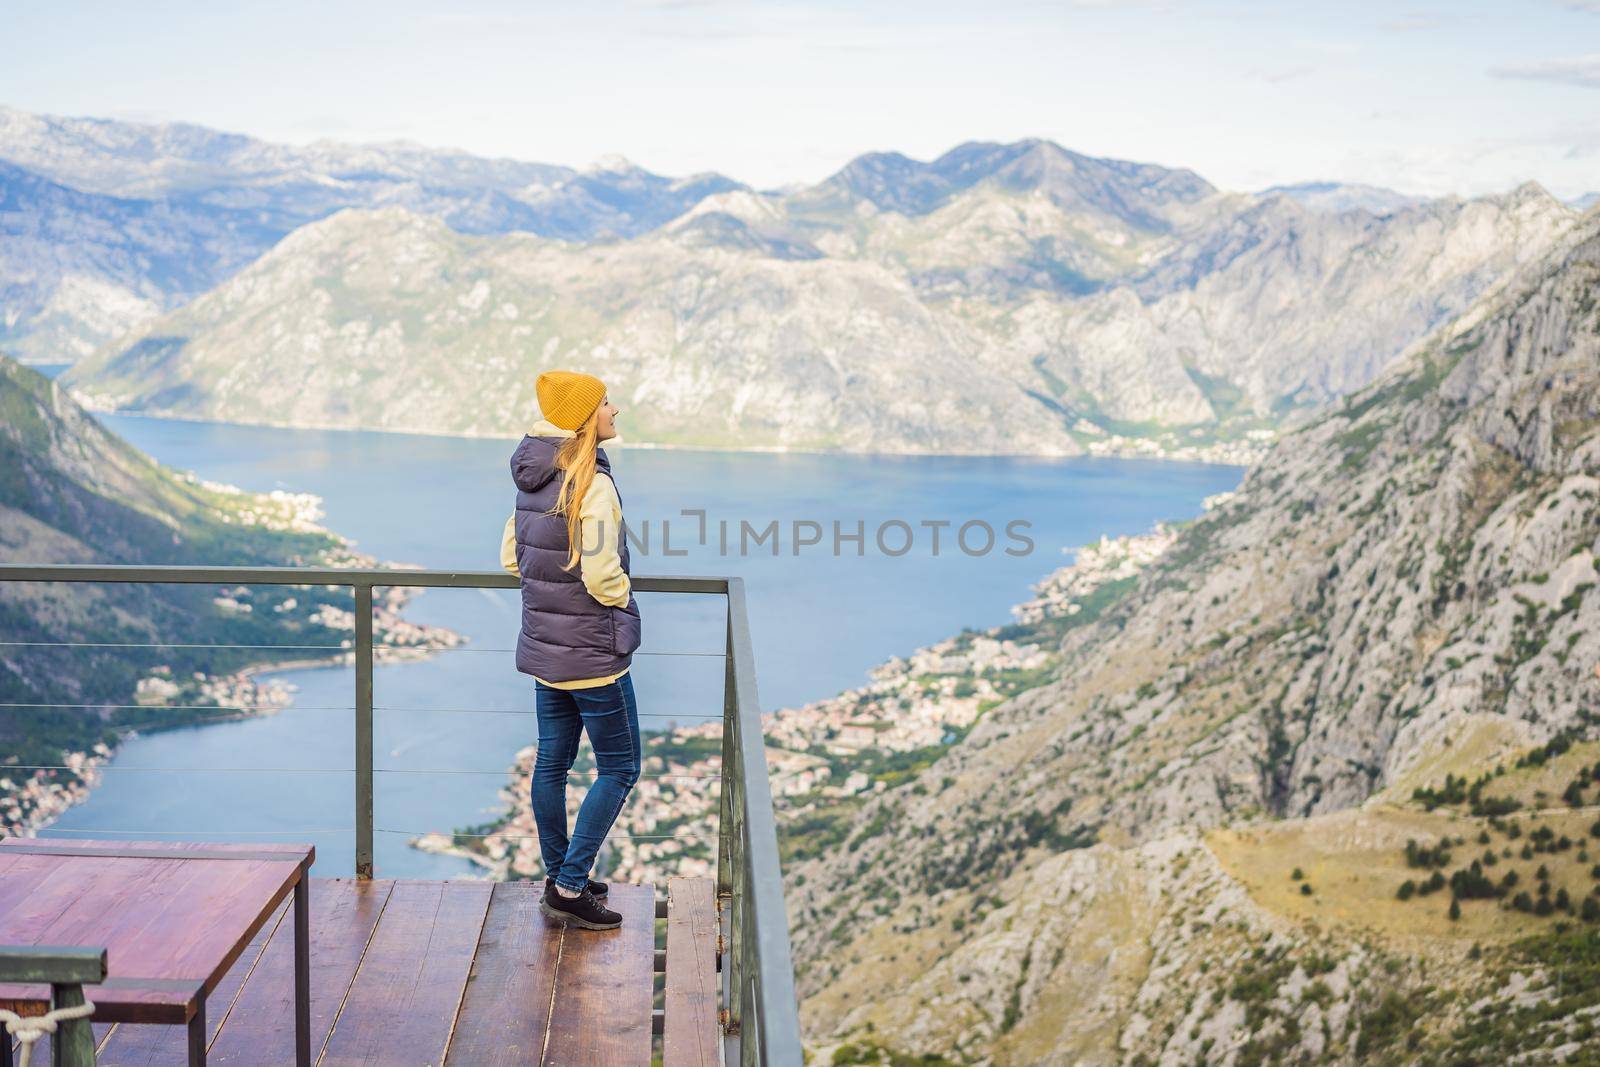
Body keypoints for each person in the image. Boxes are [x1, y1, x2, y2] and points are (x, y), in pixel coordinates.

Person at [500, 370, 642, 930]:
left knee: (552, 765)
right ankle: (567, 885)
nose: (615, 410)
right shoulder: (594, 485)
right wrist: (625, 601)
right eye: (607, 403)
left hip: (546, 650)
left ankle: (563, 874)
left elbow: (513, 557)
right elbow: (604, 576)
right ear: (586, 419)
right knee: (620, 767)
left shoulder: (531, 479)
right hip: (592, 655)